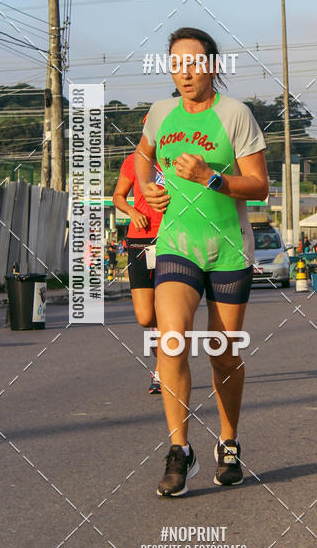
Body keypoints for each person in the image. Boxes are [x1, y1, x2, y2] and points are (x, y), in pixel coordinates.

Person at [135, 27, 268, 497]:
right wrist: (147, 187)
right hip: (177, 244)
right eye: (176, 64)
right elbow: (143, 155)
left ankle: (228, 442)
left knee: (223, 351)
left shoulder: (235, 115)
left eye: (193, 63)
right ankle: (180, 450)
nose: (184, 72)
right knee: (171, 341)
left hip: (228, 247)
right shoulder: (160, 113)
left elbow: (259, 186)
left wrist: (212, 177)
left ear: (212, 66)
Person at [112, 139, 164, 394]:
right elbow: (118, 196)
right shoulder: (134, 160)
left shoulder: (177, 159)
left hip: (172, 241)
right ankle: (163, 331)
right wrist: (132, 212)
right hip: (140, 241)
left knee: (168, 310)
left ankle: (161, 372)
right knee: (145, 316)